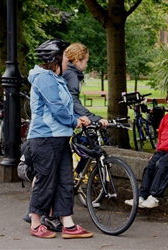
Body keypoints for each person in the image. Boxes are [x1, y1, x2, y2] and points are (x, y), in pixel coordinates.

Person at [27, 38, 93, 239]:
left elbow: (65, 107)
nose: (68, 60)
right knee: (46, 182)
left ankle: (68, 224)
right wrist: (74, 121)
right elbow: (57, 109)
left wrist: (77, 118)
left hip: (60, 137)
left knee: (65, 181)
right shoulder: (44, 78)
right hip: (44, 138)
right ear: (55, 58)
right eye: (65, 56)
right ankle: (35, 222)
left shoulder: (56, 78)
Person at [63, 42, 108, 126]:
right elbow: (72, 101)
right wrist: (92, 117)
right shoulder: (71, 75)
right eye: (86, 61)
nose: (86, 65)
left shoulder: (66, 72)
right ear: (77, 60)